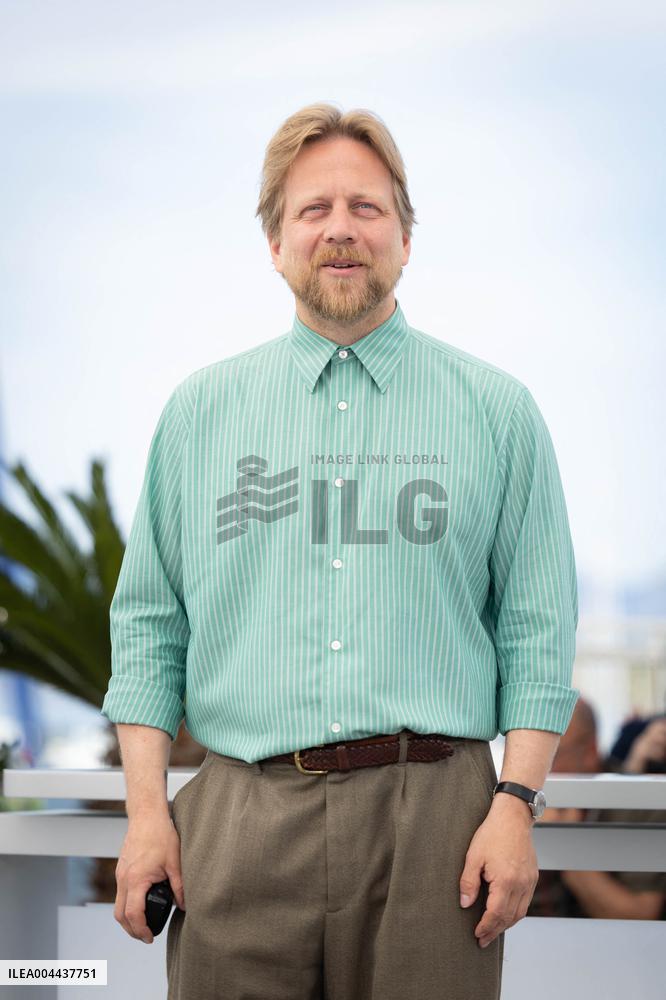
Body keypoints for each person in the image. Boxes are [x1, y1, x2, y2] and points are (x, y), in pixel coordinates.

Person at [101, 102, 580, 1000]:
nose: (341, 230)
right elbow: (149, 629)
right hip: (239, 819)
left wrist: (515, 806)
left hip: (437, 821)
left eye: (366, 207)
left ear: (404, 236)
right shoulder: (199, 413)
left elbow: (537, 630)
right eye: (312, 210)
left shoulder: (497, 412)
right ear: (275, 245)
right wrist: (143, 816)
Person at [529, 698, 666, 919]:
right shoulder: (519, 799)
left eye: (550, 757)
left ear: (590, 752)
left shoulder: (640, 804)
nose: (535, 769)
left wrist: (563, 846)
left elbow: (639, 915)